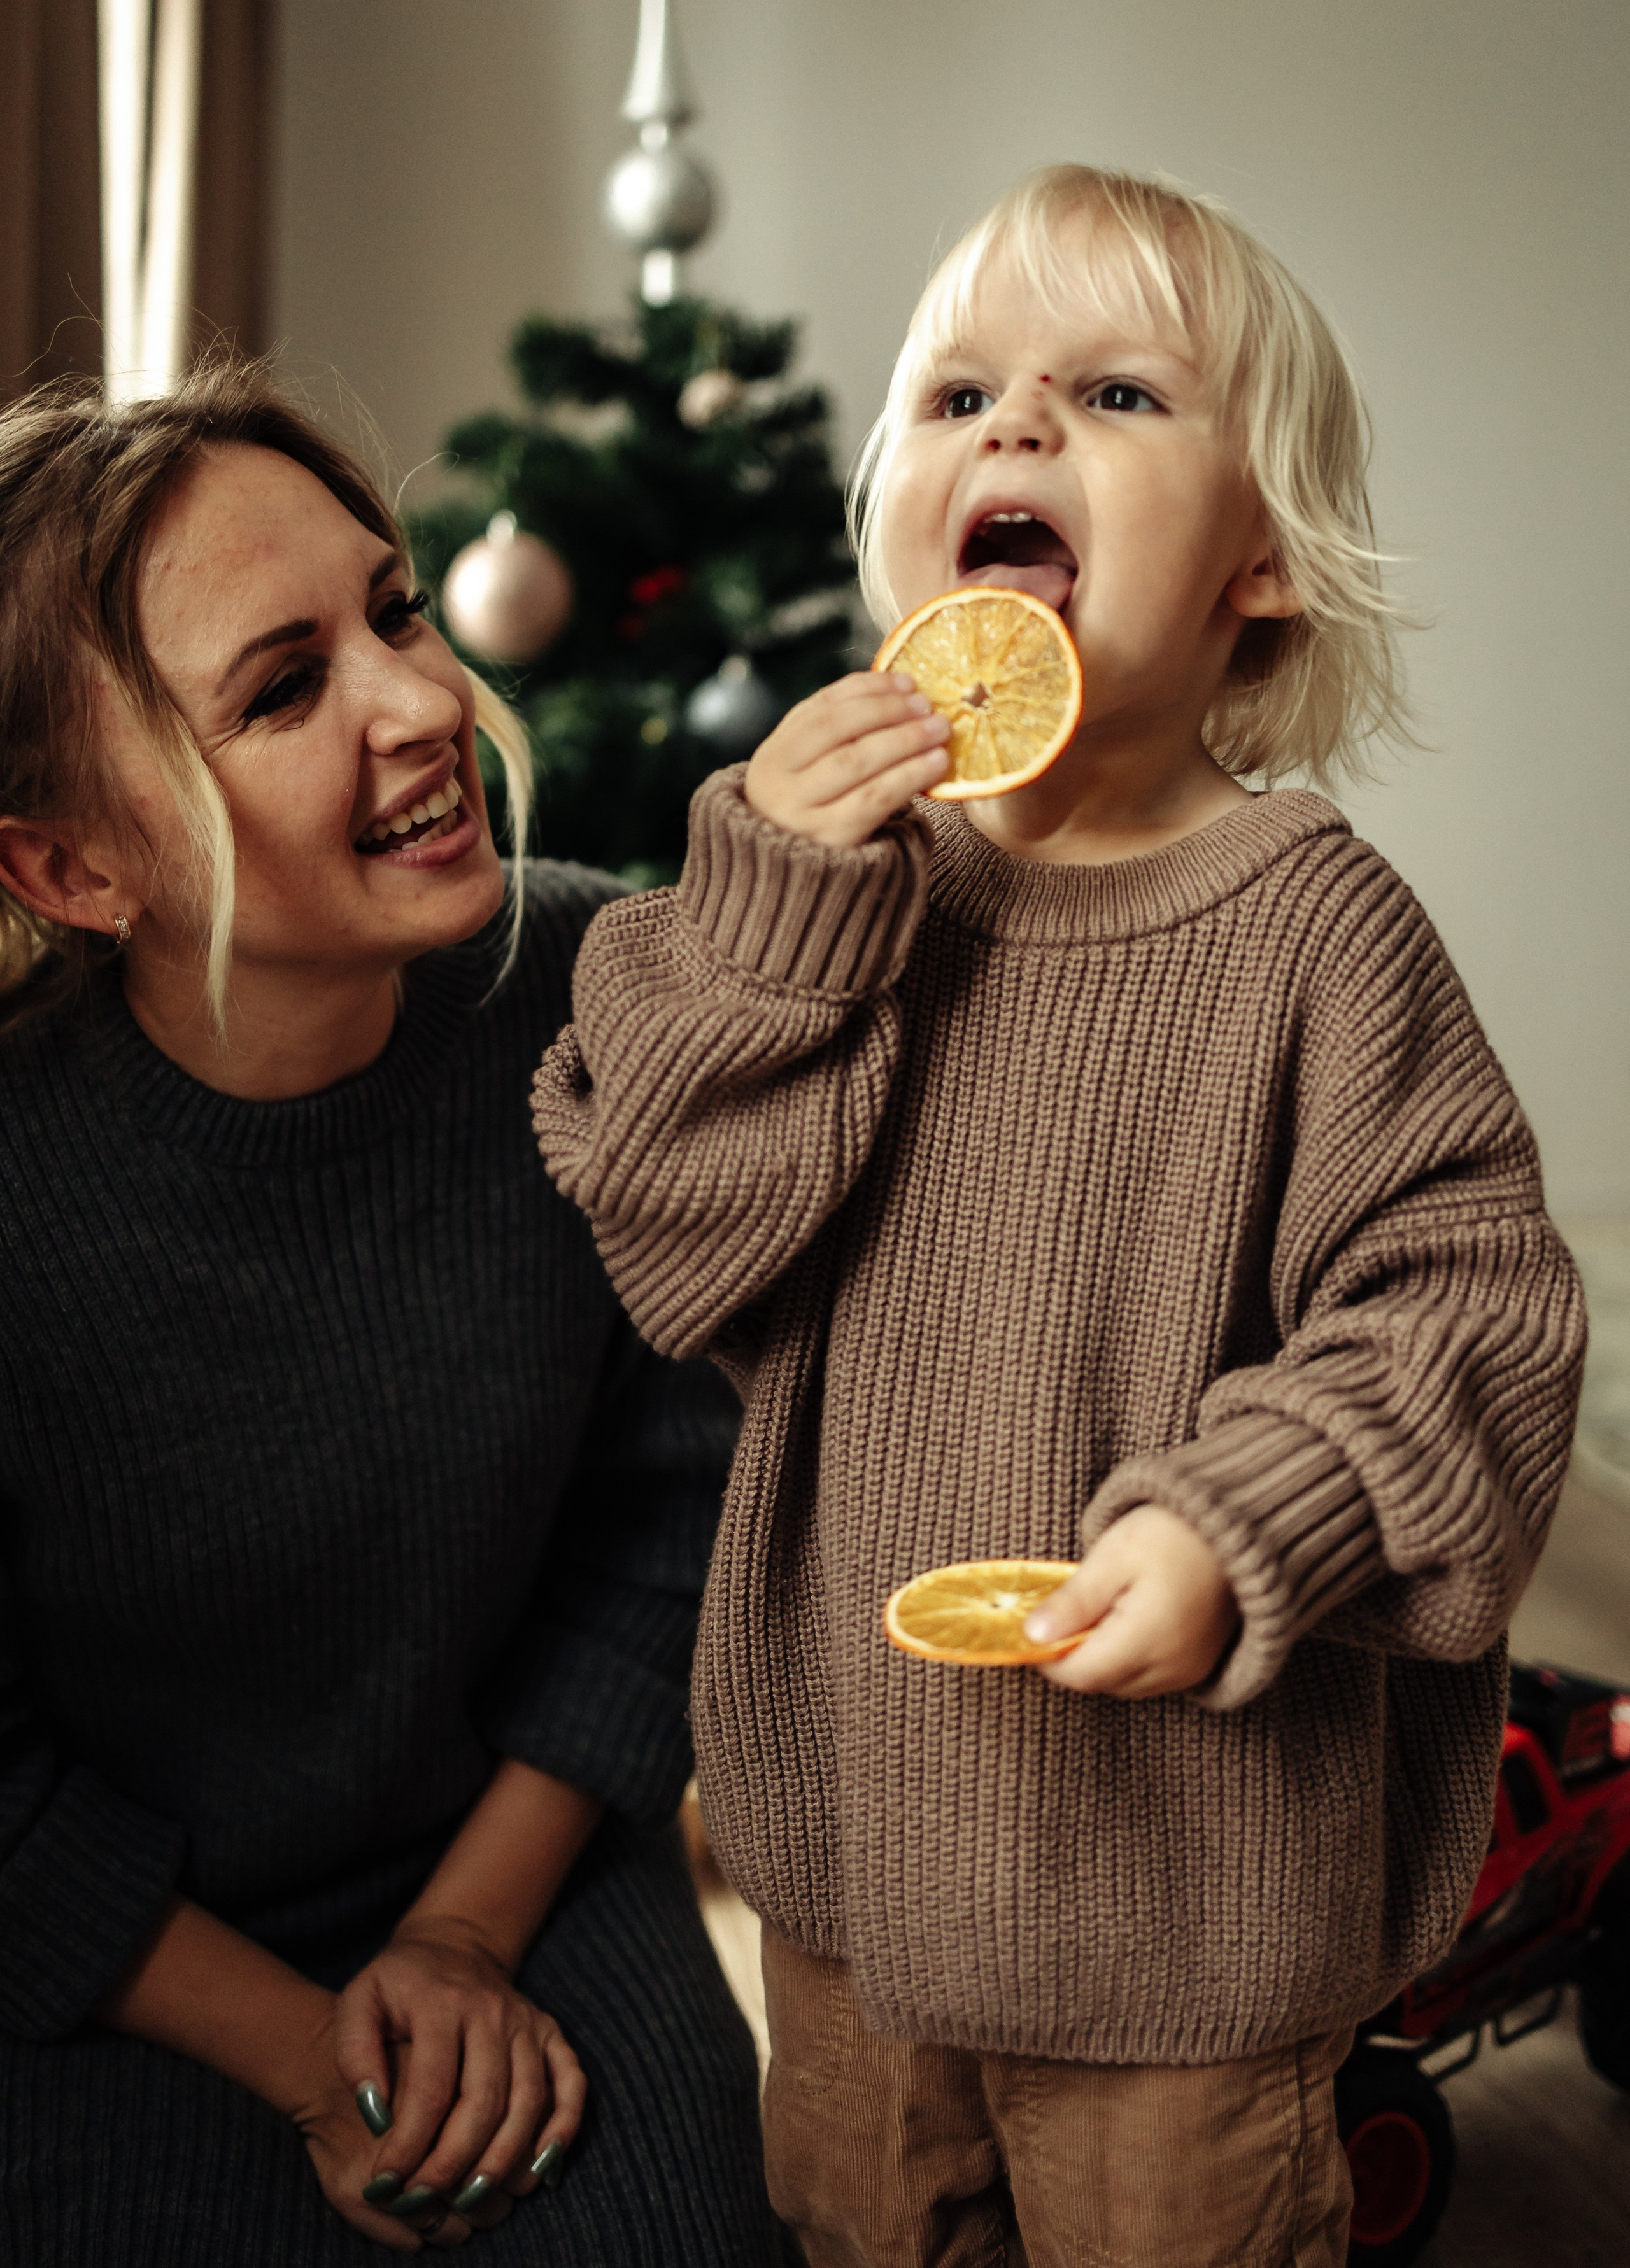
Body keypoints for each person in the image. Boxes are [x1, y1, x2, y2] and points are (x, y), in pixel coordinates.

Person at [530, 164, 1588, 2267]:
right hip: (848, 1879)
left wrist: (1240, 1519)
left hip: (1185, 1926)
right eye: (957, 397)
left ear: (1262, 567)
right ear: (896, 527)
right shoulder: (818, 898)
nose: (1015, 431)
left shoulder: (1318, 936)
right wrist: (776, 924)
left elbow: (1468, 1308)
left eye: (1113, 394)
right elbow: (665, 1236)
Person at [0, 363, 781, 2265]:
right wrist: (297, 2056)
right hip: (94, 1958)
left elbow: (683, 1521)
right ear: (68, 866)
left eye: (397, 610)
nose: (425, 701)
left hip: (522, 1857)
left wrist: (461, 1936)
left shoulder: (605, 985)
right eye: (283, 687)